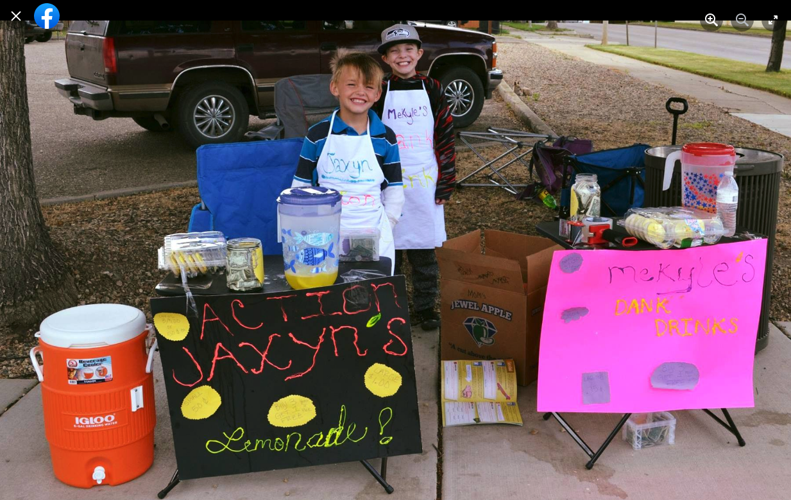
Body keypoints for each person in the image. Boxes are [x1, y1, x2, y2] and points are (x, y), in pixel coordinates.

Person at [374, 24, 456, 331]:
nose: (402, 55)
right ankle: (392, 309)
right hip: (388, 183)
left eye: (409, 49)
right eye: (394, 51)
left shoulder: (433, 89)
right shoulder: (379, 90)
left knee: (423, 253)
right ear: (386, 58)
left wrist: (447, 178)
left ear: (419, 54)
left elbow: (446, 136)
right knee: (389, 251)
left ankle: (424, 309)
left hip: (425, 183)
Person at [292, 50, 404, 274]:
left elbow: (394, 189)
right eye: (352, 84)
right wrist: (308, 231)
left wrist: (388, 225)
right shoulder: (318, 135)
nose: (360, 92)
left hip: (375, 235)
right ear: (335, 88)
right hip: (325, 236)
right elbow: (301, 188)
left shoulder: (385, 138)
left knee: (372, 299)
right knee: (330, 298)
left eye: (369, 86)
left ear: (377, 94)